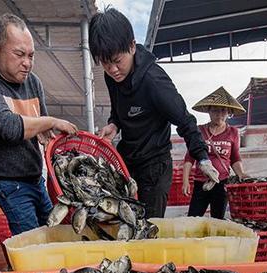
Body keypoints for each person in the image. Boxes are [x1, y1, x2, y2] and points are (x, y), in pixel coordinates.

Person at [90, 7, 218, 219]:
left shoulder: (154, 81)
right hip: (128, 161)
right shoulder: (112, 77)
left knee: (149, 228)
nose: (112, 69)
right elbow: (118, 109)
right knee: (121, 221)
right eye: (105, 63)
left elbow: (185, 120)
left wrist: (202, 158)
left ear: (131, 46)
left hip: (154, 167)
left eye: (116, 60)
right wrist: (114, 124)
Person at [0, 14, 77, 235]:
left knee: (54, 237)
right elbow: (10, 128)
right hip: (10, 185)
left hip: (37, 181)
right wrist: (53, 121)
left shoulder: (33, 82)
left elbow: (45, 134)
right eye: (19, 54)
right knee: (34, 246)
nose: (27, 63)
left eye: (31, 56)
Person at [182, 87, 247, 219]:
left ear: (228, 112)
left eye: (223, 110)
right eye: (215, 110)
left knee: (218, 219)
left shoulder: (233, 132)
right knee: (193, 218)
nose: (219, 114)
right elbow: (189, 158)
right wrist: (185, 181)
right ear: (209, 112)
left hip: (222, 182)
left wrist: (241, 174)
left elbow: (235, 157)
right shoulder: (199, 131)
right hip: (201, 182)